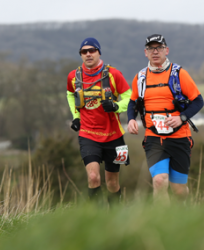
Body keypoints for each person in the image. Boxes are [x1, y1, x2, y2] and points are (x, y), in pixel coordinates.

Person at [127, 34, 204, 203]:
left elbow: (198, 101)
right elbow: (133, 102)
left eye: (159, 48)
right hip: (154, 138)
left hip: (179, 138)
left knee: (178, 189)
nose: (155, 52)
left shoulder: (179, 74)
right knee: (159, 181)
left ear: (166, 50)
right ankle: (162, 225)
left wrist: (181, 118)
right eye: (151, 48)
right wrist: (131, 119)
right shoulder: (140, 77)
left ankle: (184, 216)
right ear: (145, 53)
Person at [66, 37, 131, 205]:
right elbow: (70, 95)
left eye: (92, 50)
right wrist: (76, 117)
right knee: (93, 177)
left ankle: (115, 217)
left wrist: (116, 106)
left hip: (114, 136)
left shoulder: (114, 74)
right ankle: (96, 221)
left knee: (112, 182)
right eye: (84, 52)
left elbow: (130, 98)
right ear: (80, 55)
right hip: (88, 134)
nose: (88, 54)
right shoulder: (74, 76)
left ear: (99, 52)